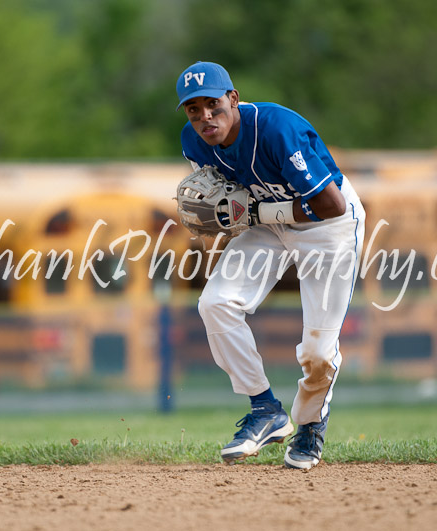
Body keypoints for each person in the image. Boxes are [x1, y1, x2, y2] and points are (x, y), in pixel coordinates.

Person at [176, 61, 365, 469]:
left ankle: (310, 425)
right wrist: (227, 216)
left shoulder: (276, 129)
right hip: (268, 221)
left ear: (234, 99)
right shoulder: (193, 143)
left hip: (327, 227)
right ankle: (265, 409)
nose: (205, 117)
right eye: (194, 109)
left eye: (213, 104)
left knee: (317, 350)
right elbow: (233, 204)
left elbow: (329, 206)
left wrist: (256, 214)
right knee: (216, 304)